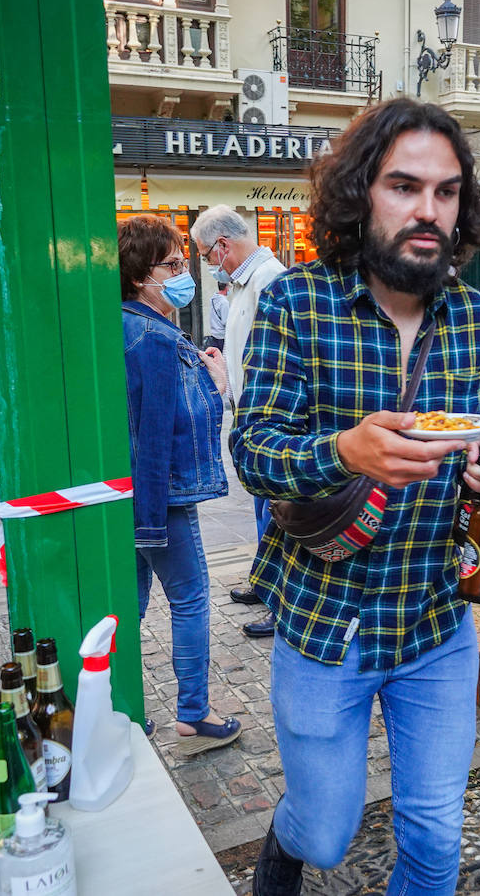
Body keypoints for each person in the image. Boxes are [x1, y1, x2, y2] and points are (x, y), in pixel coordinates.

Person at [233, 98, 480, 896]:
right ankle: (286, 842)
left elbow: (475, 451)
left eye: (447, 192)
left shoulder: (478, 321)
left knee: (435, 837)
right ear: (363, 193)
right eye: (405, 186)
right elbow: (253, 453)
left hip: (434, 621)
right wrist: (342, 450)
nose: (429, 210)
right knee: (327, 832)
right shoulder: (299, 302)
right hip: (327, 621)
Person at [118, 213, 240, 755]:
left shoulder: (124, 323)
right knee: (189, 599)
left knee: (131, 601)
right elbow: (176, 421)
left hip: (134, 491)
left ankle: (121, 709)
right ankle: (194, 711)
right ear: (141, 274)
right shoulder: (153, 336)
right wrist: (216, 384)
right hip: (160, 493)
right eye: (171, 264)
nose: (182, 272)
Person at [189, 204, 289, 638]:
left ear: (223, 245)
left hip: (270, 423)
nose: (210, 264)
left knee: (277, 516)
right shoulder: (246, 282)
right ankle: (267, 583)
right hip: (250, 416)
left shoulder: (270, 281)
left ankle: (282, 604)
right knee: (263, 512)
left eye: (208, 255)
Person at [206, 278, 228, 352]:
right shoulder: (224, 302)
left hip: (214, 334)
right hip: (222, 336)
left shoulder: (213, 299)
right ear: (226, 287)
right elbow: (225, 321)